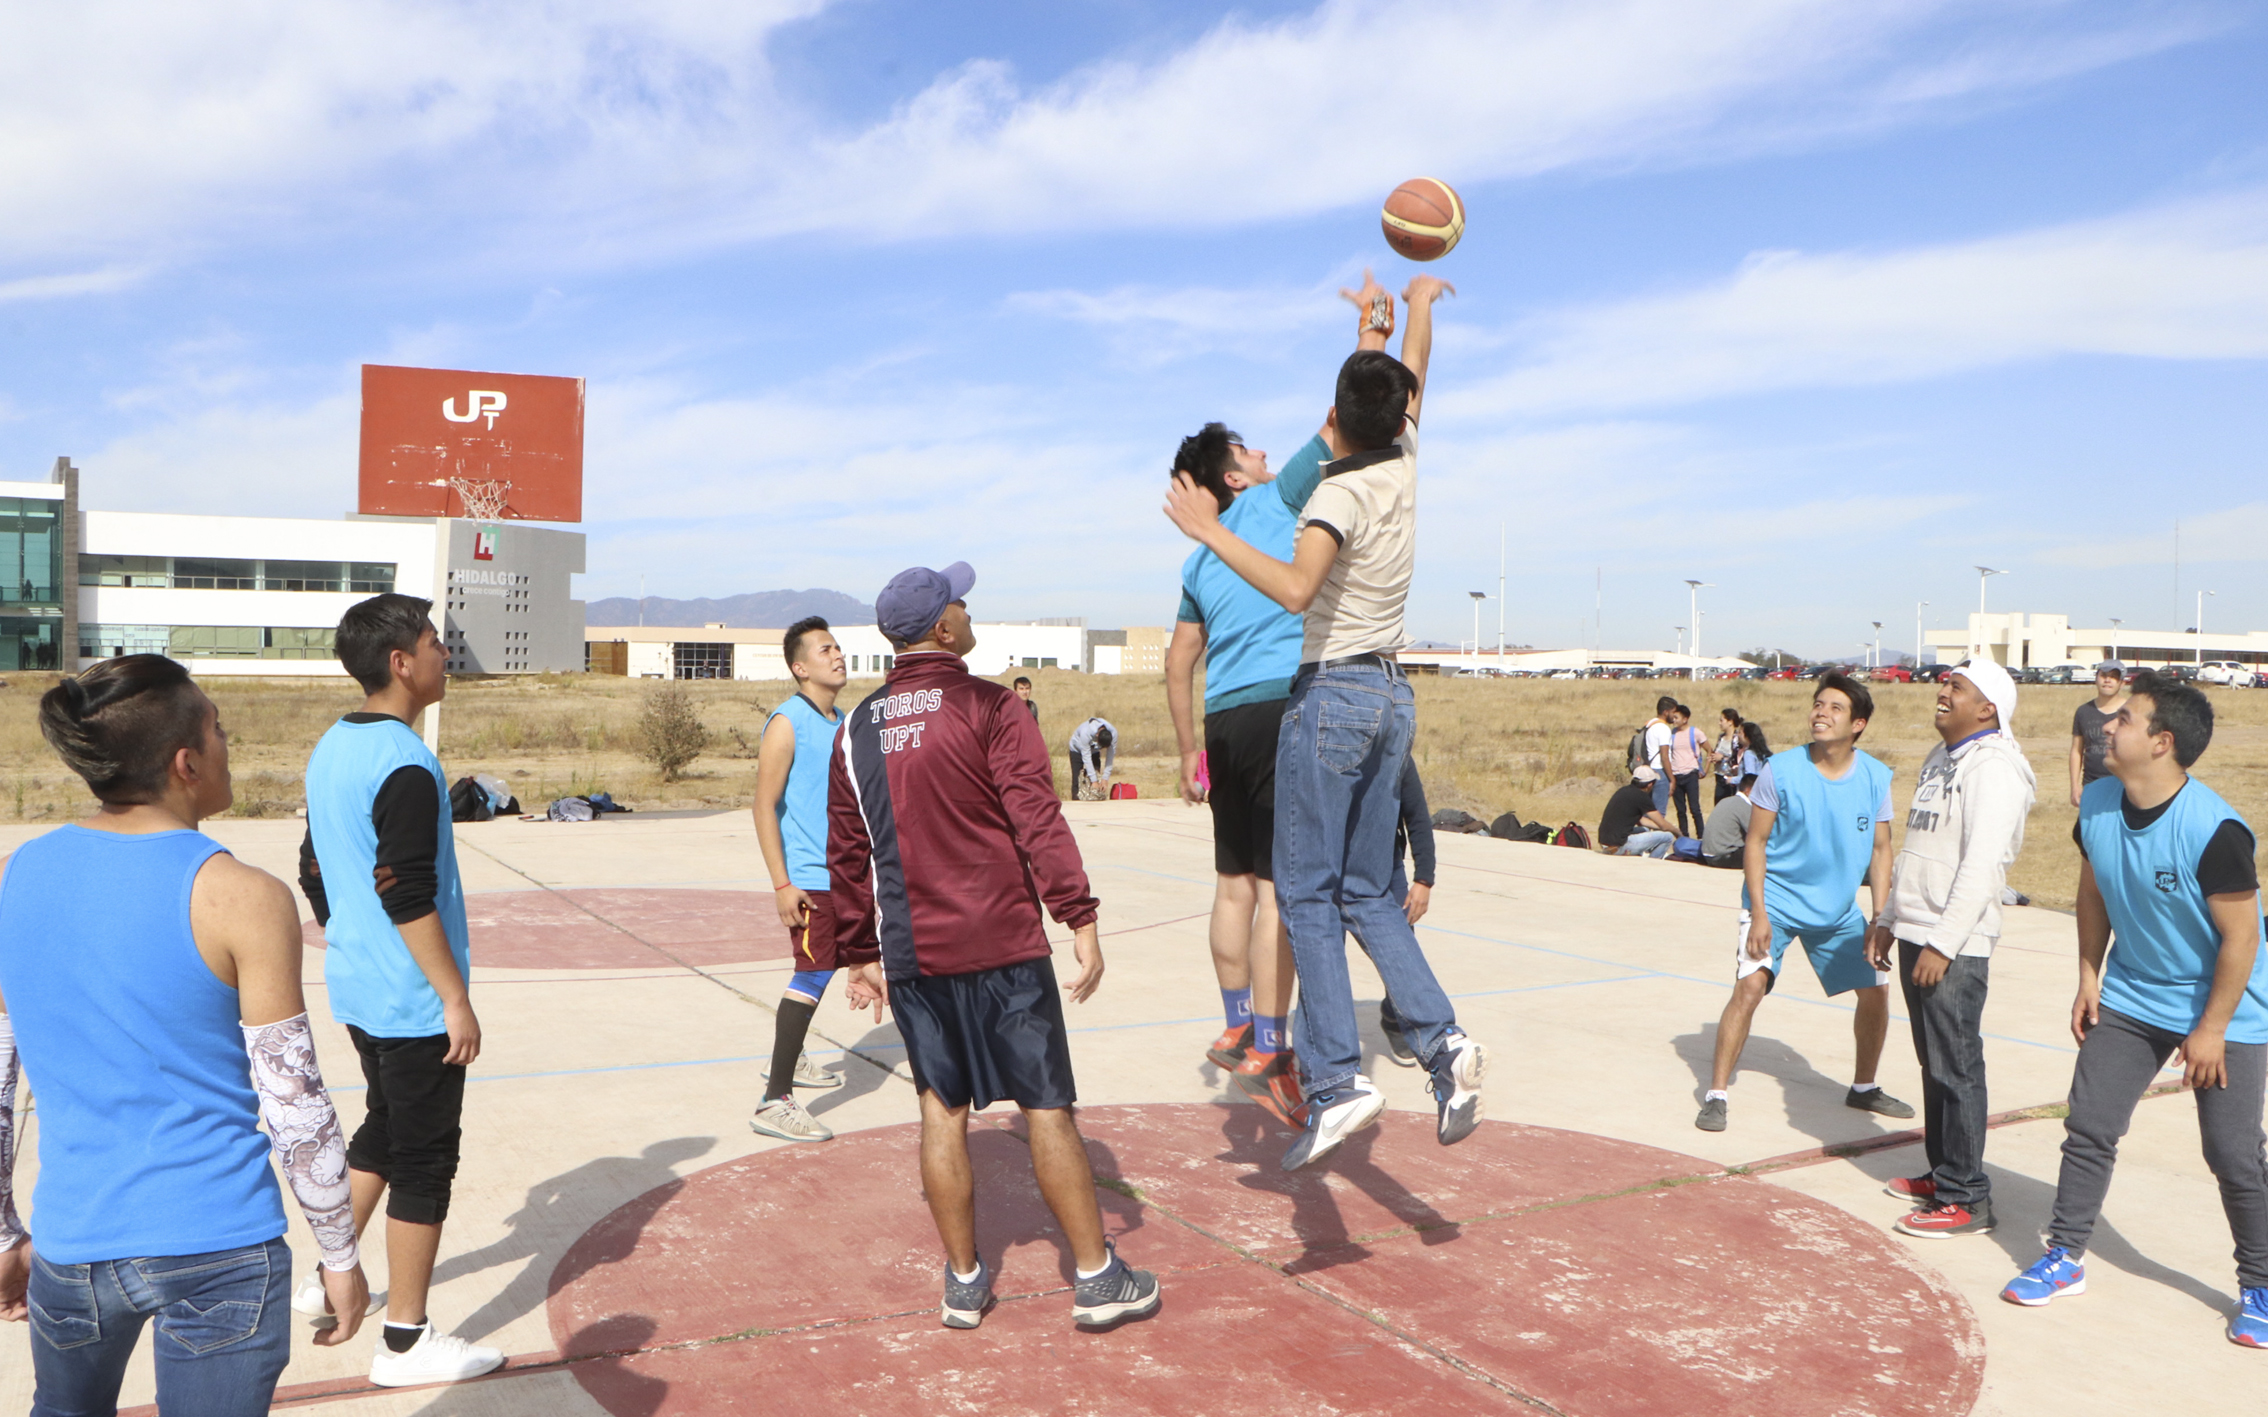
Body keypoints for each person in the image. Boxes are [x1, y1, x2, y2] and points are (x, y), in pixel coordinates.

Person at [1164, 270, 1486, 1171]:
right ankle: (1444, 1044)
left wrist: (1210, 532)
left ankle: (1337, 1078)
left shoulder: (1333, 497)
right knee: (1362, 892)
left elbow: (1298, 586)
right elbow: (1407, 380)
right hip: (1391, 697)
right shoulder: (1403, 460)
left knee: (1297, 892)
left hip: (1329, 697)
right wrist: (1409, 314)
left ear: (1334, 423)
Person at [0, 656, 371, 1415]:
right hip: (221, 1247)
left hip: (75, 1243)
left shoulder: (14, 876)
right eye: (218, 726)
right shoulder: (246, 897)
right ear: (186, 761)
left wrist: (3, 1228)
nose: (228, 740)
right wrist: (339, 1250)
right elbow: (294, 1100)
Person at [829, 562, 1160, 1331]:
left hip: (914, 952)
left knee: (941, 1110)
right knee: (1046, 1107)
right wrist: (1078, 913)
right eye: (960, 600)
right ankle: (1095, 1275)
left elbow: (847, 851)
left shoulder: (857, 728)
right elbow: (1035, 816)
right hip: (1004, 945)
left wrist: (858, 949)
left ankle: (965, 1280)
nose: (970, 606)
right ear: (943, 628)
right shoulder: (991, 706)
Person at [2002, 672, 2268, 1346]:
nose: (2106, 726)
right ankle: (2065, 1255)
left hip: (2225, 1006)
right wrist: (2089, 973)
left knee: (2232, 1151)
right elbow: (2093, 891)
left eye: (2124, 719)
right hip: (2132, 991)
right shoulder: (2096, 801)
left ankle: (2261, 1285)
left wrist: (2209, 1028)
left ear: (2162, 742)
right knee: (2089, 1122)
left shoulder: (2215, 830)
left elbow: (2243, 938)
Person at [295, 593, 503, 1384]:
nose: (446, 653)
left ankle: (326, 1275)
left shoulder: (330, 748)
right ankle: (407, 1342)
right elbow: (407, 891)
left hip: (357, 983)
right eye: (434, 642)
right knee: (425, 1158)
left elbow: (313, 864)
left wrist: (347, 929)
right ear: (399, 663)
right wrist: (453, 994)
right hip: (410, 996)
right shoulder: (407, 761)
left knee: (387, 1125)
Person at [1166, 415, 1330, 1125]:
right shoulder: (1275, 500)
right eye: (1247, 449)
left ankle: (1236, 1024)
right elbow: (1339, 422)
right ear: (1233, 479)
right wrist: (1372, 330)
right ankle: (1270, 1047)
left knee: (1233, 884)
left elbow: (1178, 663)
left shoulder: (1198, 562)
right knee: (1277, 891)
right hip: (1277, 709)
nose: (1263, 449)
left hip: (1223, 722)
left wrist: (1186, 752)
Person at [1696, 672, 1913, 1133]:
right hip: (1776, 900)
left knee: (1874, 992)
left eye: (1835, 707)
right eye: (1818, 704)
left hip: (1836, 911)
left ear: (1858, 724)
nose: (1821, 712)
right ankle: (1715, 1093)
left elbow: (1880, 850)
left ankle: (1863, 1088)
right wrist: (1758, 912)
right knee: (1750, 986)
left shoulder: (1875, 777)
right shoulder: (1782, 769)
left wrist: (1881, 917)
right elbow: (1755, 843)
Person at [1866, 659, 2035, 1238]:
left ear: (1987, 707)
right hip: (1917, 931)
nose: (1943, 691)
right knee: (1934, 1063)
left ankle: (1967, 1197)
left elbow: (1983, 865)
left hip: (1953, 945)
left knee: (1957, 1066)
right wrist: (1889, 917)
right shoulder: (1942, 759)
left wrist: (1943, 941)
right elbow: (1918, 848)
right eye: (1944, 683)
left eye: (1956, 687)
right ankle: (1943, 1173)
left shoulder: (1995, 769)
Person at [747, 616, 850, 1144]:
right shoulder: (788, 722)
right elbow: (763, 807)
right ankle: (775, 1100)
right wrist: (782, 884)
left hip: (846, 875)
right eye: (825, 649)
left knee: (829, 970)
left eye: (839, 647)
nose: (838, 655)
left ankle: (797, 1055)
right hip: (809, 879)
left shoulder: (844, 723)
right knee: (812, 973)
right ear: (800, 666)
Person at [1377, 760, 1436, 1067]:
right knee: (1323, 954)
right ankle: (1320, 1046)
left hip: (1386, 868)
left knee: (1402, 952)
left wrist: (1423, 879)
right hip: (1333, 867)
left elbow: (1418, 818)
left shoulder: (1396, 753)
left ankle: (1394, 1015)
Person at [2068, 660, 2127, 809]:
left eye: (2113, 677)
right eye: (2104, 675)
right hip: (2091, 785)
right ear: (2096, 679)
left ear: (2122, 683)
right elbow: (2076, 750)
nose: (2107, 680)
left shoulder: (2130, 712)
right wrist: (2075, 786)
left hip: (2123, 786)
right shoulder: (2083, 711)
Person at [1599, 777, 1676, 859]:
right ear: (1650, 784)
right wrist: (1678, 833)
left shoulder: (1623, 791)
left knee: (1644, 830)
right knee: (1668, 837)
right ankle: (1652, 864)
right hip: (1620, 846)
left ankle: (1636, 856)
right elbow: (1663, 824)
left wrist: (1661, 827)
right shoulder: (1641, 796)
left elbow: (1643, 822)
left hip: (1605, 842)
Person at [1699, 772, 1757, 869]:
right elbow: (1757, 834)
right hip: (1724, 856)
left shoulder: (1726, 800)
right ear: (1749, 791)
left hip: (1708, 855)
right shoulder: (1744, 806)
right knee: (1761, 850)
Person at [1666, 703, 1707, 837]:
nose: (1674, 720)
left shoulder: (1695, 733)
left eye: (1677, 717)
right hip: (1676, 775)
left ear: (1685, 719)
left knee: (1695, 808)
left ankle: (1701, 836)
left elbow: (1710, 750)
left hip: (1691, 774)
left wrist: (1705, 769)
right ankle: (1684, 837)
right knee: (1680, 810)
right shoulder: (1671, 734)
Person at [1634, 696, 1677, 818]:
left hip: (1648, 770)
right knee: (1659, 813)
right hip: (1660, 772)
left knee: (1648, 812)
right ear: (1666, 712)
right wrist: (1672, 779)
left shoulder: (1650, 725)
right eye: (1673, 712)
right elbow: (1664, 756)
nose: (1674, 716)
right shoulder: (1663, 729)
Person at [1067, 716, 1116, 800]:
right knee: (1077, 779)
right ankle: (1076, 802)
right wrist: (1093, 781)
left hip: (1094, 751)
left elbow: (1110, 756)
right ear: (1097, 735)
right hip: (1077, 750)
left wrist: (1105, 779)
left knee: (1097, 777)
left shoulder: (1113, 733)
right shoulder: (1086, 732)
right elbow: (1086, 757)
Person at [1712, 709, 1747, 804]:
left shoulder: (1737, 739)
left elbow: (1738, 757)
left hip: (1731, 777)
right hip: (1719, 775)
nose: (1719, 723)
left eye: (1722, 720)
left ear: (1730, 722)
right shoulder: (1721, 737)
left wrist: (1723, 758)